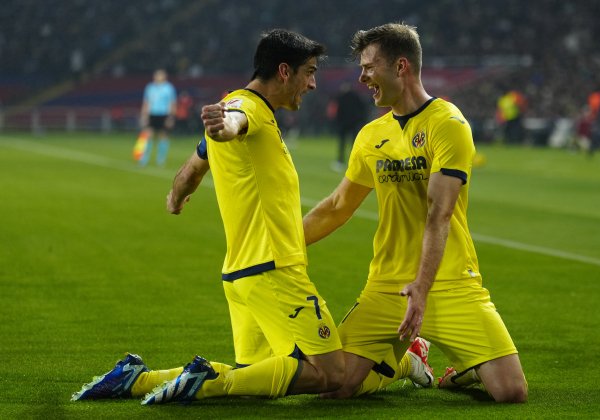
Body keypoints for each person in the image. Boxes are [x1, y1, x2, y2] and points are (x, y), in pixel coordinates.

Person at [72, 29, 347, 405]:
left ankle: (137, 379)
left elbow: (193, 168)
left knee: (256, 379)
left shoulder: (251, 111)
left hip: (242, 274)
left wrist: (176, 194)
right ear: (284, 71)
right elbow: (234, 120)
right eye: (309, 72)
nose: (313, 83)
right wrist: (225, 125)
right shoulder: (247, 108)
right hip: (274, 270)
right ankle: (206, 382)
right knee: (331, 373)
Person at [302, 23, 528, 402]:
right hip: (386, 284)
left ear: (401, 66)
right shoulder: (371, 135)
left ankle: (465, 371)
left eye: (369, 67)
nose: (362, 77)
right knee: (336, 387)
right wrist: (283, 245)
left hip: (450, 281)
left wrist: (421, 289)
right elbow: (339, 206)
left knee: (510, 391)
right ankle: (407, 362)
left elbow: (439, 214)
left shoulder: (448, 124)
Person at [139, 69, 177, 166]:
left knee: (163, 136)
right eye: (156, 75)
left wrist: (171, 117)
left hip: (164, 114)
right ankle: (144, 158)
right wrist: (144, 115)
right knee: (148, 135)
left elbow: (172, 103)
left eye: (160, 75)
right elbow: (146, 102)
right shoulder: (150, 87)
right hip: (152, 114)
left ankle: (161, 159)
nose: (158, 77)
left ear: (164, 77)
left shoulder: (169, 88)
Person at [331, 83, 368, 172]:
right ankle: (354, 162)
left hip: (344, 124)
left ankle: (340, 162)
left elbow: (338, 111)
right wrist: (361, 120)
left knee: (342, 144)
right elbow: (363, 109)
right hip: (354, 123)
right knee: (354, 143)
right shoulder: (356, 97)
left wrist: (338, 122)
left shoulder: (341, 97)